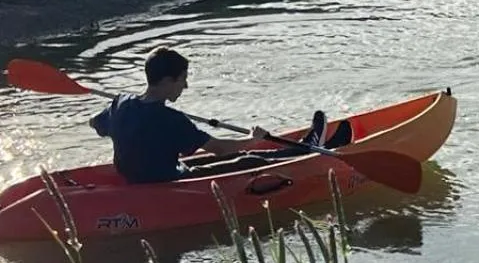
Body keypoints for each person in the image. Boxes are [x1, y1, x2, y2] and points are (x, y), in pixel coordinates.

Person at [90, 46, 350, 185]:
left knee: (244, 155)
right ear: (168, 80)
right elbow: (219, 149)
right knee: (248, 160)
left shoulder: (120, 103)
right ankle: (311, 151)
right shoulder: (171, 119)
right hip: (165, 181)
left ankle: (307, 147)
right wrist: (252, 138)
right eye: (183, 80)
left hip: (149, 173)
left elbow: (96, 124)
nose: (186, 86)